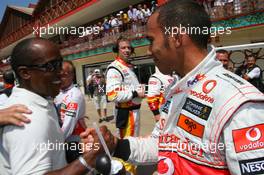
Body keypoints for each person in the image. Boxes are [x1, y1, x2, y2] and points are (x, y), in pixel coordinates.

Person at [81, 1, 264, 175]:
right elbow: (162, 144)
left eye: (151, 40)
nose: (148, 50)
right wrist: (115, 144)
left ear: (176, 38)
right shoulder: (178, 88)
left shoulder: (240, 104)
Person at [0, 38, 101, 175]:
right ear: (25, 73)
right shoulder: (27, 117)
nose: (61, 72)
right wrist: (87, 162)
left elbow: (48, 147)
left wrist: (75, 147)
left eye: (60, 63)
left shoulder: (42, 99)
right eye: (51, 66)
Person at [105, 36, 145, 174]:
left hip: (134, 112)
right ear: (117, 50)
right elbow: (112, 94)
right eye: (123, 47)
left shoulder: (127, 67)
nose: (127, 50)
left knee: (131, 145)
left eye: (129, 47)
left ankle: (129, 170)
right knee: (127, 146)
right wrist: (135, 93)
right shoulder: (115, 68)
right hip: (127, 114)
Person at [54, 60, 87, 163]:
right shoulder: (57, 92)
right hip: (62, 138)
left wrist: (54, 144)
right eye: (58, 74)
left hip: (74, 140)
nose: (60, 78)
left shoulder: (75, 95)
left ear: (72, 75)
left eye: (64, 75)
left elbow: (68, 125)